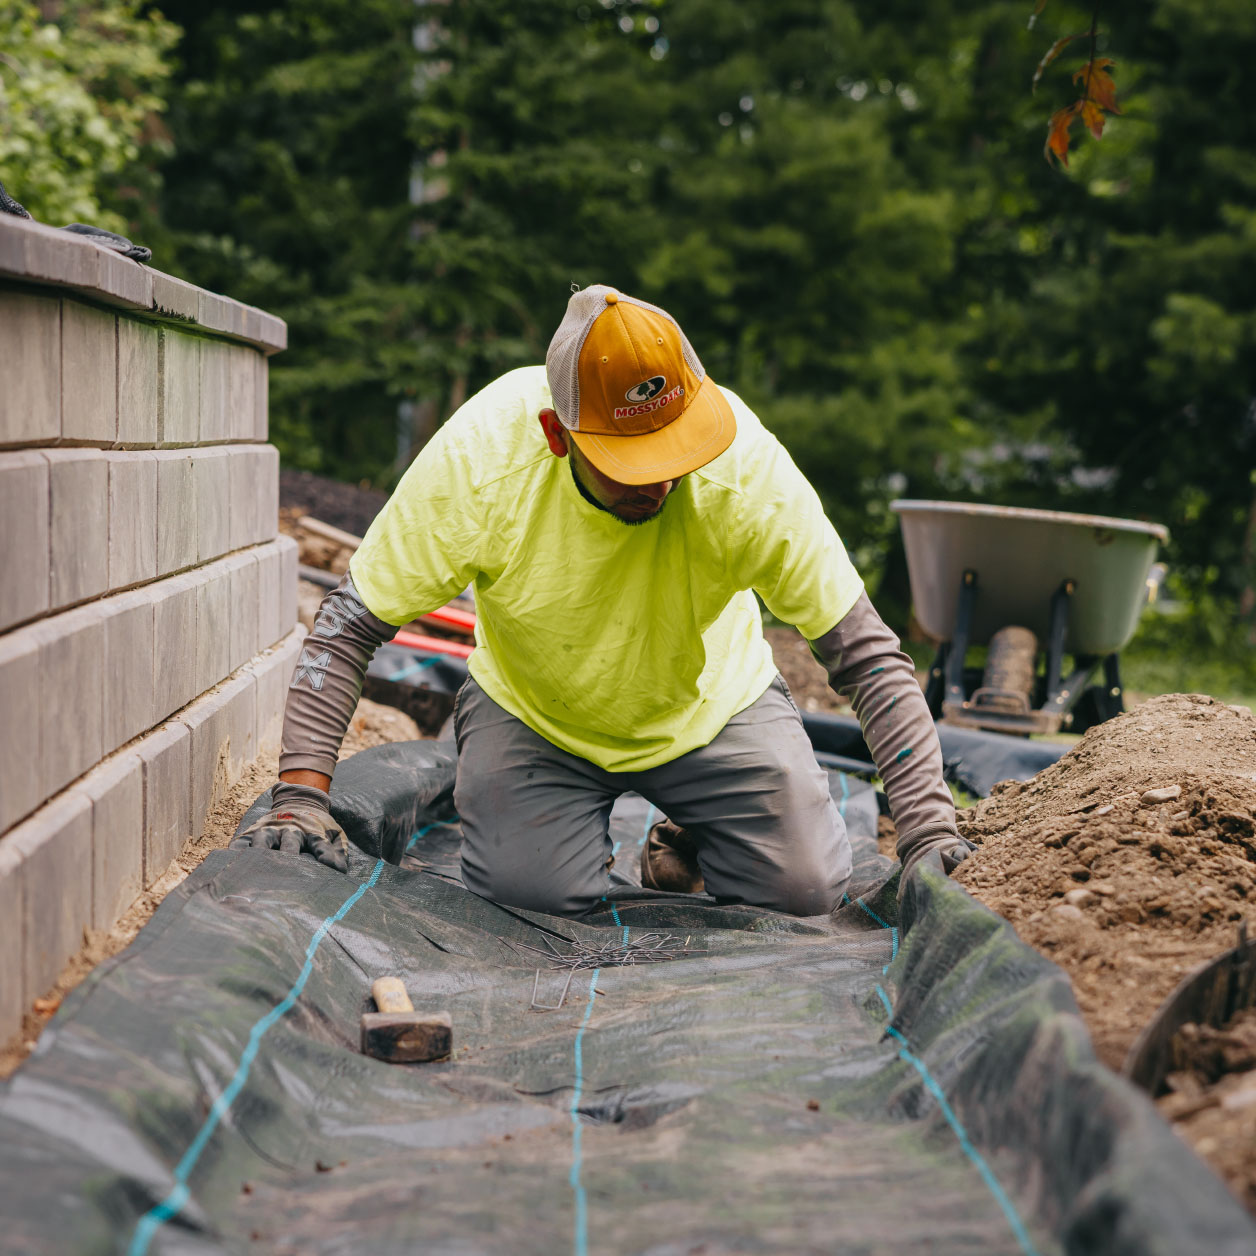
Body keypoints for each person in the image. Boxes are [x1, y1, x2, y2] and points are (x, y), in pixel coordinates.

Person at [239, 285, 971, 915]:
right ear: (558, 436)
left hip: (711, 710)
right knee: (527, 903)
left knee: (806, 892)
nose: (660, 482)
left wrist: (928, 830)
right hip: (538, 714)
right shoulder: (482, 463)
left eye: (674, 453)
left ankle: (692, 831)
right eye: (632, 463)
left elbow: (869, 658)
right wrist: (301, 795)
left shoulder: (744, 472)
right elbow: (345, 628)